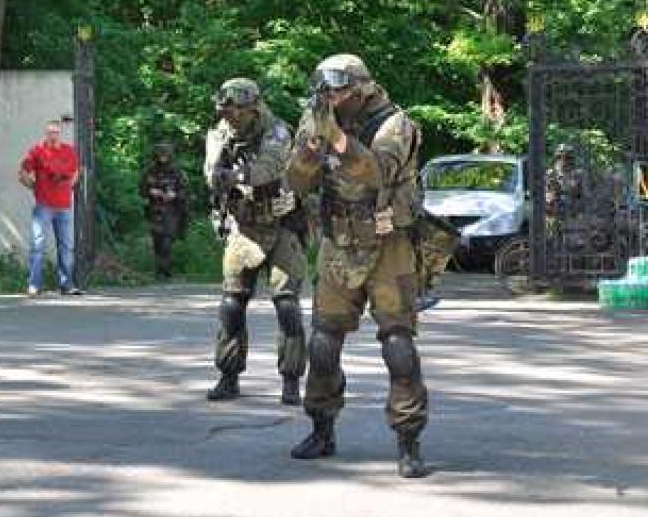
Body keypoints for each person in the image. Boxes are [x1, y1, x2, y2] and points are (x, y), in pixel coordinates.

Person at [286, 54, 429, 479]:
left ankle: (408, 440)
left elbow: (377, 174)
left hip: (389, 246)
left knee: (398, 346)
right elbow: (296, 182)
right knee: (323, 344)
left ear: (362, 88)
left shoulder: (394, 124)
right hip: (339, 243)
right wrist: (314, 144)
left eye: (338, 92)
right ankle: (321, 428)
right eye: (325, 93)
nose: (330, 100)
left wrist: (337, 139)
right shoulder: (319, 118)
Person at [203, 78, 307, 406]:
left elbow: (268, 167)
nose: (230, 118)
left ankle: (291, 380)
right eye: (225, 112)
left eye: (236, 111)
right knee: (231, 305)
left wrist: (235, 176)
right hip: (244, 227)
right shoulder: (221, 134)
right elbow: (210, 172)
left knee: (287, 306)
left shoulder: (276, 131)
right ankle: (229, 375)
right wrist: (217, 176)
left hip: (281, 226)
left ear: (253, 109)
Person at [19, 120, 81, 296]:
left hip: (64, 206)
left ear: (60, 133)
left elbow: (76, 171)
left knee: (66, 246)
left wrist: (69, 187)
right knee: (38, 245)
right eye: (50, 132)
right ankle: (34, 285)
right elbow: (22, 173)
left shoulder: (69, 151)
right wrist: (34, 186)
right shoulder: (37, 151)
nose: (53, 135)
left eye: (56, 132)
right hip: (44, 206)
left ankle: (66, 285)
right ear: (46, 133)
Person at [138, 142, 188, 278]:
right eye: (160, 155)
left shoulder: (177, 172)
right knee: (157, 241)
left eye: (165, 155)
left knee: (167, 241)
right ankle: (159, 270)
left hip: (171, 211)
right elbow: (142, 189)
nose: (163, 158)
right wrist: (151, 192)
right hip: (154, 210)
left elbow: (185, 191)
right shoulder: (149, 172)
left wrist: (175, 195)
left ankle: (166, 270)